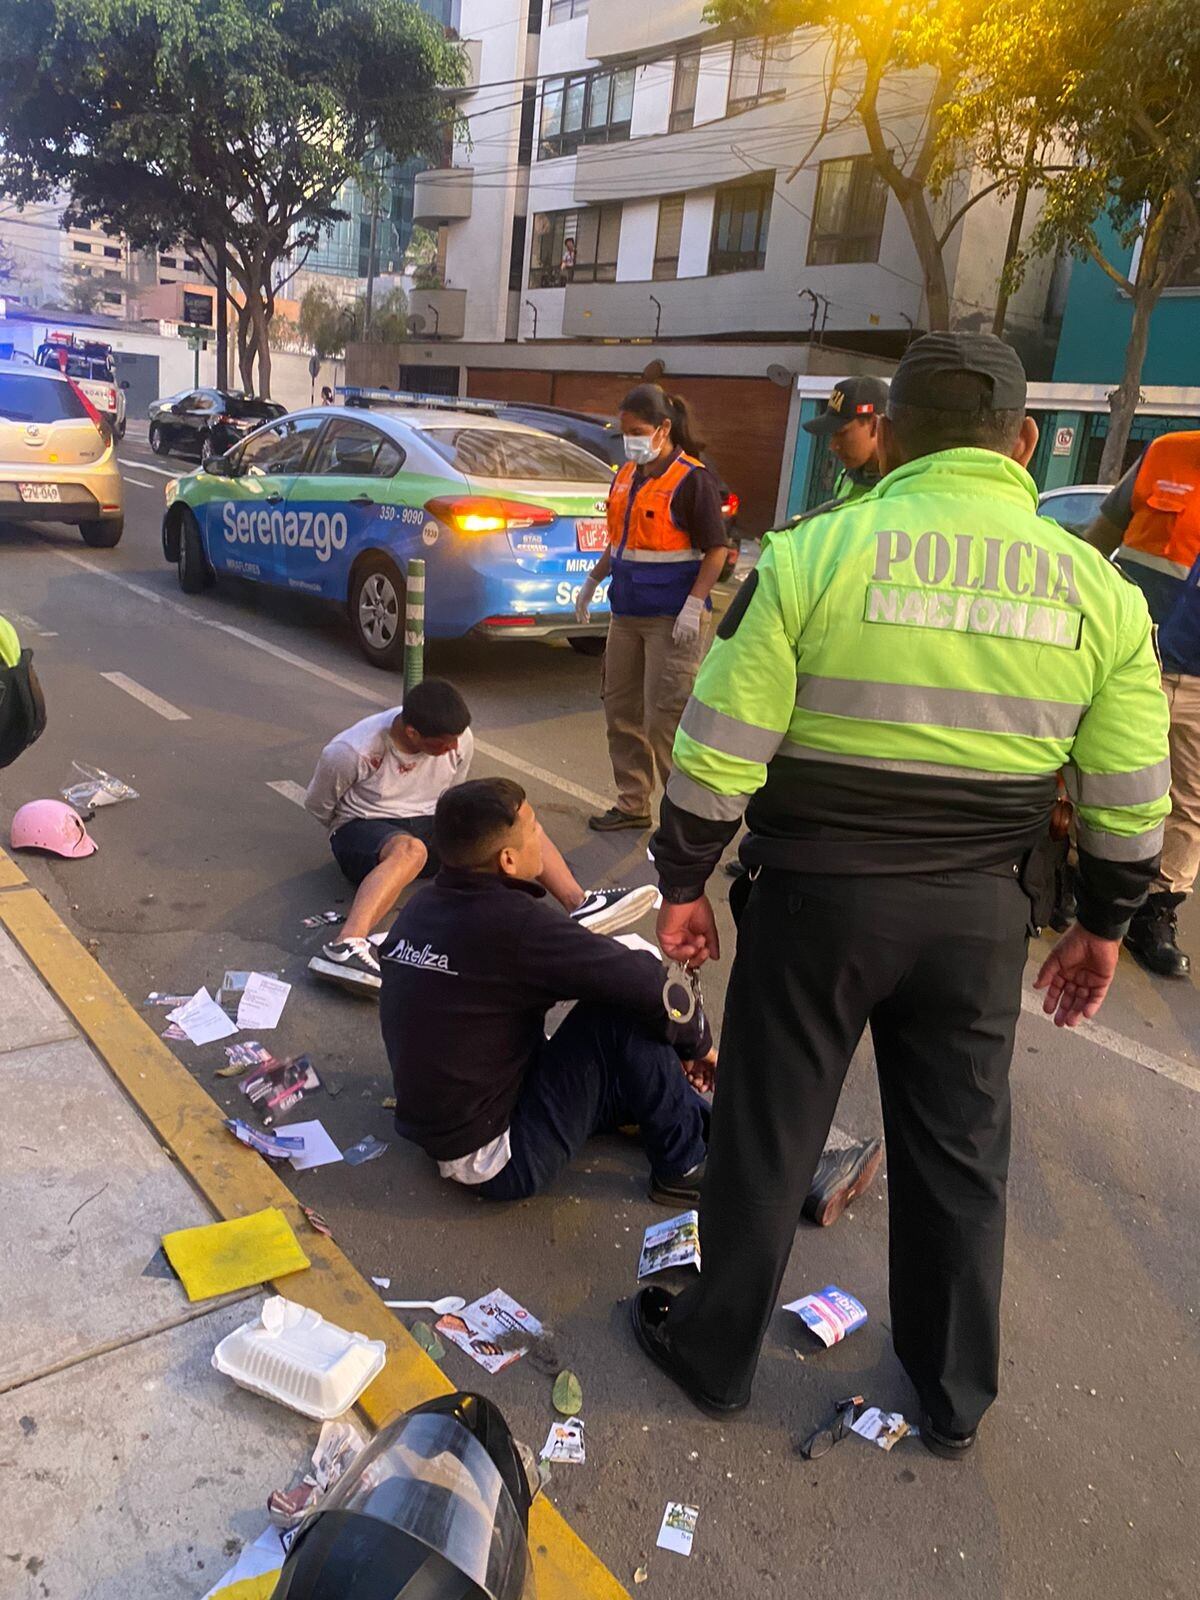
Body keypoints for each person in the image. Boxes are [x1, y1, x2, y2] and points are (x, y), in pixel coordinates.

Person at [628, 333, 1170, 1460]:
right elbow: (1128, 795)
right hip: (980, 916)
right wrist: (1105, 925)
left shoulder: (814, 555)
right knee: (960, 1153)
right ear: (1024, 442)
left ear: (896, 435)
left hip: (816, 903)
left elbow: (719, 745)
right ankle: (952, 1392)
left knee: (767, 1134)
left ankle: (715, 1355)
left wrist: (683, 881)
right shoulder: (1102, 594)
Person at [379, 777, 711, 1203]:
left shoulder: (422, 906)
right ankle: (684, 1167)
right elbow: (646, 983)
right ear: (508, 860)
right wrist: (700, 1045)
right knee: (624, 1011)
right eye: (534, 827)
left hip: (448, 1126)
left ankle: (690, 1118)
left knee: (634, 1040)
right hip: (500, 1157)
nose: (542, 836)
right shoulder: (515, 924)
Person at [303, 678, 657, 991]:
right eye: (443, 744)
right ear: (412, 733)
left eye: (456, 740)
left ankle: (580, 904)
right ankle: (346, 944)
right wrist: (379, 838)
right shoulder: (352, 751)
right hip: (362, 826)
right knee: (411, 851)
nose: (453, 749)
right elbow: (319, 806)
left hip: (428, 820)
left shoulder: (460, 740)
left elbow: (452, 798)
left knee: (515, 821)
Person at [577, 384, 731, 832]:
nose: (629, 440)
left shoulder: (692, 480)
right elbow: (620, 541)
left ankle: (682, 819)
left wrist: (694, 605)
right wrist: (592, 580)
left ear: (664, 428)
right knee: (620, 712)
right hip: (626, 614)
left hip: (671, 619)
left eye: (637, 432)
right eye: (624, 432)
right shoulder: (627, 475)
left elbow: (716, 550)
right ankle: (632, 803)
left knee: (665, 720)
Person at [1085, 430, 1200, 979]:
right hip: (1132, 657)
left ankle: (1155, 913)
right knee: (1094, 774)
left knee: (1189, 803)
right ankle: (1075, 884)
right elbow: (1096, 544)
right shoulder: (1164, 453)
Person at [800, 375, 890, 508]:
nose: (833, 446)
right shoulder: (846, 478)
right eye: (832, 434)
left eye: (841, 433)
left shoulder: (901, 488)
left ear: (875, 425)